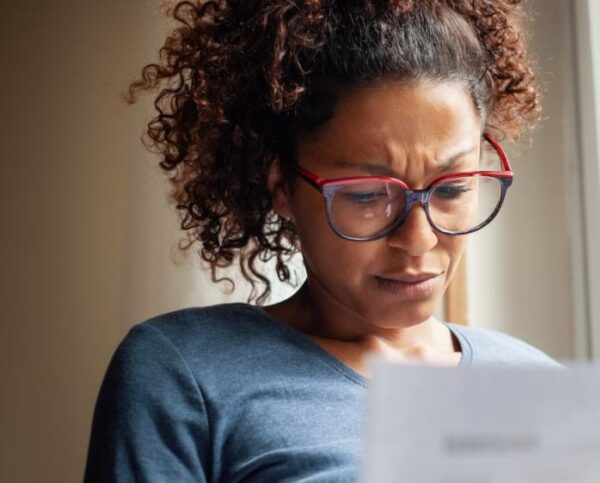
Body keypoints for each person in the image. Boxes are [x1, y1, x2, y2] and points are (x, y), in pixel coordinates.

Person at [84, 1, 560, 481]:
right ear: (282, 187)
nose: (418, 240)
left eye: (453, 188)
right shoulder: (185, 373)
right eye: (369, 195)